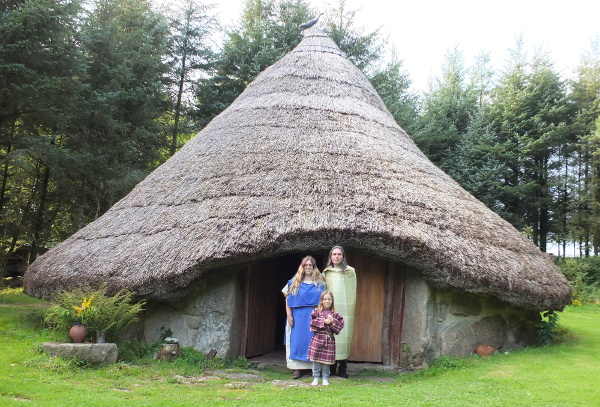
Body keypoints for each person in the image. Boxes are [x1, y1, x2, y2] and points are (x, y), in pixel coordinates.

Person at [282, 255, 326, 379]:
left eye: (310, 265)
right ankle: (297, 368)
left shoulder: (320, 283)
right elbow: (287, 300)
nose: (308, 267)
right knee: (298, 341)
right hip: (298, 316)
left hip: (314, 314)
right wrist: (289, 315)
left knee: (313, 341)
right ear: (302, 266)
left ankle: (314, 368)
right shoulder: (294, 282)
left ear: (314, 267)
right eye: (305, 265)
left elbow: (326, 300)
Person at [322, 245, 356, 378]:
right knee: (332, 338)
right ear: (330, 257)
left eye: (339, 254)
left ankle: (343, 368)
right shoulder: (327, 272)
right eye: (334, 254)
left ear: (343, 256)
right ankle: (332, 366)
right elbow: (325, 291)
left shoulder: (350, 271)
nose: (336, 256)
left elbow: (352, 291)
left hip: (346, 310)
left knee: (344, 338)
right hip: (332, 309)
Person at [308, 291, 344, 386]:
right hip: (318, 338)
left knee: (326, 362)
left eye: (329, 299)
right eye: (325, 299)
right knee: (316, 360)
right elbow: (312, 322)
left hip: (329, 340)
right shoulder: (316, 312)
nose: (327, 301)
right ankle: (316, 377)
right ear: (321, 301)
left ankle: (325, 378)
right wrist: (324, 321)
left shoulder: (335, 314)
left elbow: (340, 326)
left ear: (332, 301)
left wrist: (332, 322)